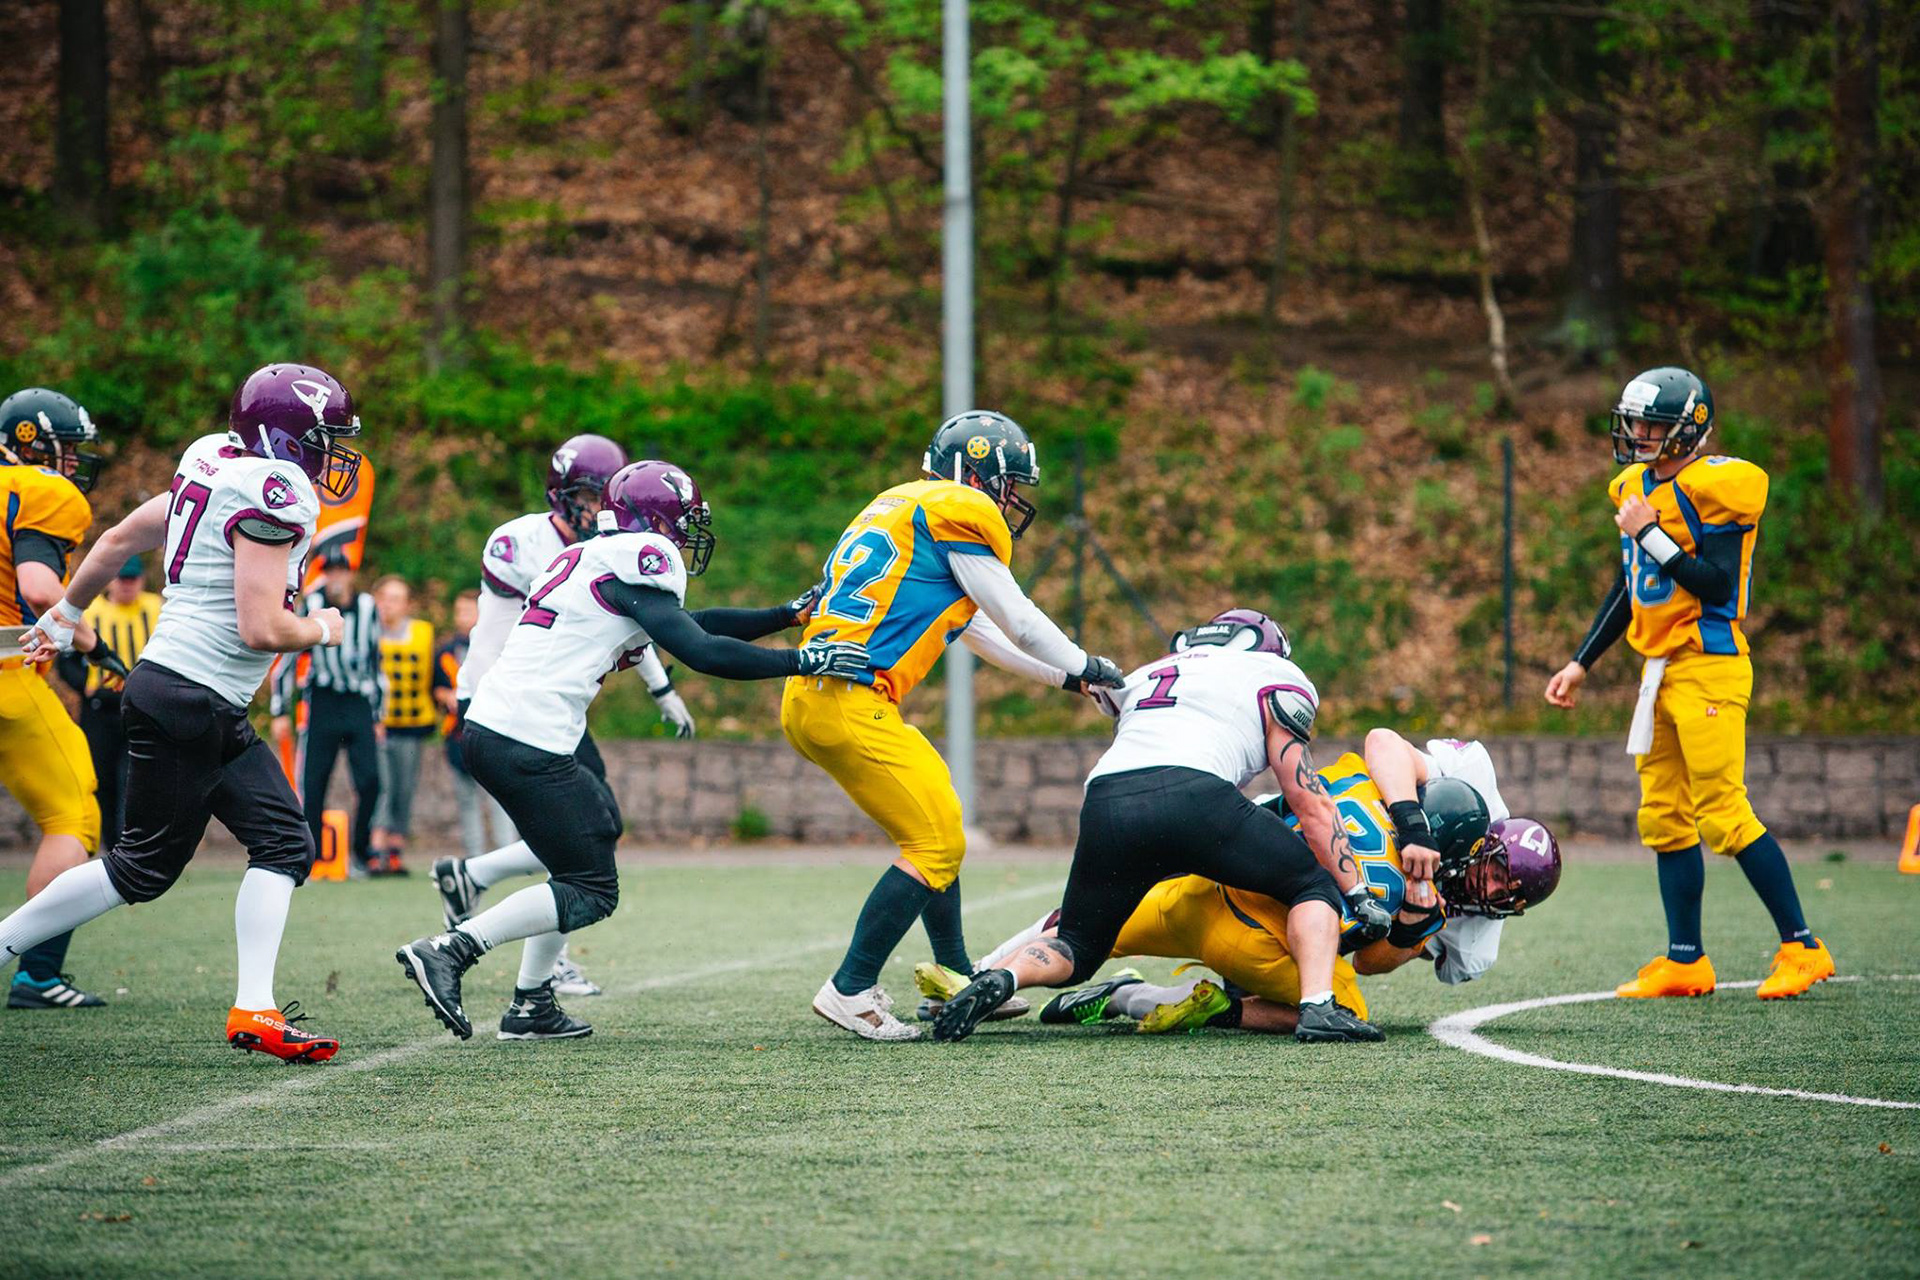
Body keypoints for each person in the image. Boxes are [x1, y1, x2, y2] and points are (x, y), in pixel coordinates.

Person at [395, 460, 865, 1042]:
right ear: (654, 519)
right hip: (524, 735)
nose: (687, 535)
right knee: (592, 887)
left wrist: (784, 617)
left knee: (597, 831)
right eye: (683, 521)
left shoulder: (591, 557)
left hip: (503, 729)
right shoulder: (637, 558)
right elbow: (701, 650)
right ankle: (450, 950)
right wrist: (804, 659)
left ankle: (531, 1004)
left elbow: (691, 625)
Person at [8, 362, 362, 1060]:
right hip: (191, 697)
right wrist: (324, 628)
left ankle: (255, 1010)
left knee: (285, 841)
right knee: (138, 870)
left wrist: (67, 612)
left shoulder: (213, 462)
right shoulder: (274, 489)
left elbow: (117, 540)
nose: (332, 456)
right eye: (325, 440)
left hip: (195, 697)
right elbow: (262, 628)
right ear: (287, 439)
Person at [787, 410, 1128, 1042]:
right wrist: (1089, 664)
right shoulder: (957, 511)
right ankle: (850, 987)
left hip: (819, 695)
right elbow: (1020, 620)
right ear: (974, 473)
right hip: (849, 699)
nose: (1011, 498)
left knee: (937, 817)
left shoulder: (900, 506)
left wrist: (1069, 679)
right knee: (936, 843)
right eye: (1006, 483)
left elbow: (984, 631)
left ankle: (954, 971)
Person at [930, 608, 1385, 1045]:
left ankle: (1004, 977)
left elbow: (1118, 711)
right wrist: (1357, 892)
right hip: (1196, 796)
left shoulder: (1150, 671)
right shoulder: (1274, 673)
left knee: (1077, 945)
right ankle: (1318, 1005)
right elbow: (1307, 799)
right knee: (1310, 884)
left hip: (1108, 799)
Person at [1545, 366, 1833, 1001]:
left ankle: (1803, 947)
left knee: (1724, 813)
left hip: (1710, 664)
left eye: (1648, 424)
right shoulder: (1633, 486)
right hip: (1659, 672)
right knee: (1664, 817)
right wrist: (1581, 662)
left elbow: (1718, 585)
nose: (1636, 433)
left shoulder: (1717, 485)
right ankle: (1686, 960)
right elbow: (1630, 586)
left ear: (1686, 430)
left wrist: (1648, 531)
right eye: (1632, 422)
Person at [1001, 732, 1561, 1035]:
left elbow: (1378, 746)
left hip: (1244, 866)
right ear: (1476, 843)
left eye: (1506, 894)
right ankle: (1146, 998)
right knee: (1337, 1002)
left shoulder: (1377, 789)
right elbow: (1369, 958)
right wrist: (1414, 880)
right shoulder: (1458, 800)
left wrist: (1414, 919)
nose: (1491, 892)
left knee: (1090, 924)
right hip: (1270, 901)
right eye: (1492, 871)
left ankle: (992, 975)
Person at [430, 434, 693, 997]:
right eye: (588, 495)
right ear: (561, 495)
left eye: (605, 495)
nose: (598, 507)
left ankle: (473, 879)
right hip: (502, 702)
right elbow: (614, 615)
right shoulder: (523, 543)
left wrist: (662, 688)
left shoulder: (604, 549)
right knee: (580, 836)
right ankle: (539, 973)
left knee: (594, 825)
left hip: (542, 706)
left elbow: (634, 622)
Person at [0, 386, 113, 1010]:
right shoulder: (39, 490)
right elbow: (41, 588)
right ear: (33, 444)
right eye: (66, 449)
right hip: (6, 674)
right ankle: (37, 974)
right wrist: (92, 645)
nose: (73, 462)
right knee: (74, 817)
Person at [272, 546, 385, 876]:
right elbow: (287, 659)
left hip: (358, 701)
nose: (336, 577)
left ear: (350, 573)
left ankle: (361, 852)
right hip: (324, 700)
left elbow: (376, 660)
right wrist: (281, 710)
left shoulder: (368, 607)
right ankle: (312, 856)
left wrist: (378, 713)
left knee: (371, 780)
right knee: (314, 780)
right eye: (330, 571)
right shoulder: (313, 604)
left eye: (341, 570)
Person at [59, 557, 162, 855]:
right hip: (100, 709)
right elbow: (65, 660)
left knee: (137, 778)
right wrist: (87, 688)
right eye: (122, 578)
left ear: (141, 579)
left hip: (144, 706)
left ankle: (133, 844)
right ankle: (111, 845)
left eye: (132, 579)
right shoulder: (91, 612)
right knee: (102, 778)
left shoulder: (157, 608)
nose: (127, 585)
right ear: (111, 581)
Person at [432, 590, 517, 860]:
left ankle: (507, 853)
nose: (463, 617)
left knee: (500, 797)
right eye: (459, 612)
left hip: (494, 732)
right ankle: (475, 856)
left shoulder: (501, 646)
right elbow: (435, 688)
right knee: (467, 800)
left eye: (469, 611)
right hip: (458, 734)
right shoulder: (446, 652)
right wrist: (446, 696)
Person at [370, 574, 434, 876]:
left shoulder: (423, 633)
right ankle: (375, 847)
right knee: (380, 786)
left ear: (407, 604)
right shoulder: (367, 632)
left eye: (395, 599)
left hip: (412, 722)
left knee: (404, 788)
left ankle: (396, 849)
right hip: (377, 724)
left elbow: (435, 673)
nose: (388, 605)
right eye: (383, 598)